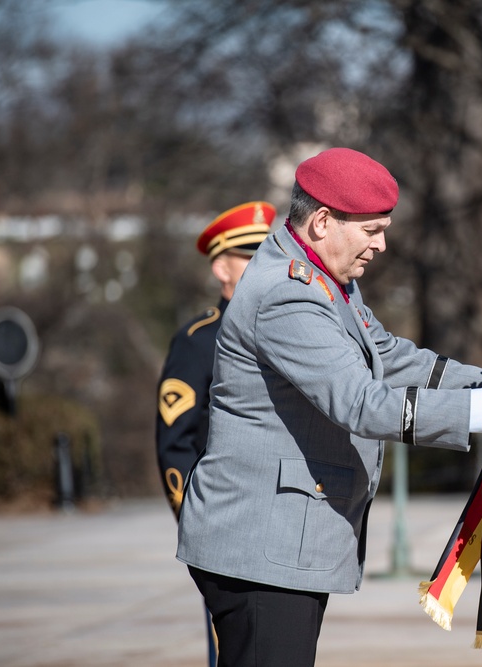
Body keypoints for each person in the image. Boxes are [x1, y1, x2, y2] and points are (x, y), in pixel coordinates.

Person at [175, 147, 482, 667]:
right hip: (260, 549)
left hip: (277, 544)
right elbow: (361, 404)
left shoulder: (322, 275)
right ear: (321, 221)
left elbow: (387, 355)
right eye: (372, 230)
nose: (381, 245)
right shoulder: (287, 294)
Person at [155, 199, 275, 666]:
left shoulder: (286, 327)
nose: (265, 264)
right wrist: (199, 523)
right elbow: (174, 444)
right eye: (251, 256)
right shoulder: (200, 340)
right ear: (221, 268)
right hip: (226, 524)